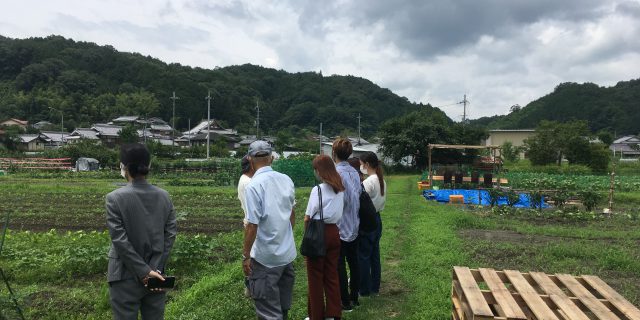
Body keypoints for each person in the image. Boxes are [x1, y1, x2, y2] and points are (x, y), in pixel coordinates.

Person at [106, 143, 177, 320]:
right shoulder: (164, 196)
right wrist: (154, 269)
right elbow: (169, 236)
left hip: (124, 274)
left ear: (123, 167)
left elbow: (120, 240)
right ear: (149, 165)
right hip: (157, 275)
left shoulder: (114, 198)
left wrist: (143, 271)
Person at [242, 140, 297, 320]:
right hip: (287, 255)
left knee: (268, 312)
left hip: (266, 258)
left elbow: (252, 225)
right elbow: (292, 214)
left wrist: (246, 255)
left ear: (250, 160)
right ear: (271, 158)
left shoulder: (254, 186)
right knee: (282, 307)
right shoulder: (286, 179)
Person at [304, 155, 345, 320]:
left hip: (318, 233)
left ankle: (316, 314)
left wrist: (307, 236)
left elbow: (308, 217)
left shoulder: (318, 190)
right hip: (334, 232)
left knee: (315, 276)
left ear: (319, 171)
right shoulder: (340, 188)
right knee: (331, 274)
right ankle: (334, 312)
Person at [332, 138, 361, 311]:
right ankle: (354, 297)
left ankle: (345, 301)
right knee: (354, 261)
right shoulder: (354, 172)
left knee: (339, 264)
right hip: (355, 223)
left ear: (334, 153)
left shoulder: (336, 173)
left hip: (340, 224)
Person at [358, 152, 386, 297]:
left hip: (367, 222)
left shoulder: (368, 182)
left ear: (367, 164)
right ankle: (375, 287)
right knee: (374, 255)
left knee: (363, 256)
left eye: (361, 164)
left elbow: (360, 201)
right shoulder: (381, 179)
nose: (361, 167)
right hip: (377, 220)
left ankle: (364, 289)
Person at [237, 155, 255, 297]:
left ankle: (249, 288)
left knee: (251, 256)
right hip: (252, 224)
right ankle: (251, 288)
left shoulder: (244, 179)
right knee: (252, 257)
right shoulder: (249, 182)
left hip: (248, 222)